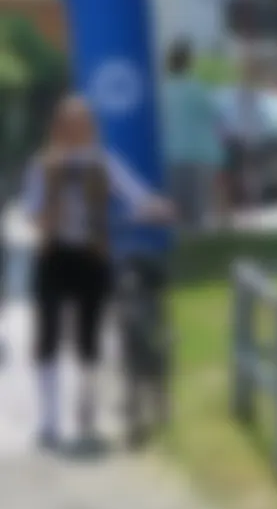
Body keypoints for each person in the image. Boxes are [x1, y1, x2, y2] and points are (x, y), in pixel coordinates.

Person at [21, 95, 171, 449]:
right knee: (48, 334)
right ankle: (49, 418)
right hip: (53, 253)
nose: (78, 131)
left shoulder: (102, 162)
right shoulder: (43, 165)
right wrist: (45, 217)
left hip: (92, 254)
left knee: (90, 333)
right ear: (59, 128)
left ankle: (85, 409)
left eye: (83, 123)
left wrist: (156, 208)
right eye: (71, 124)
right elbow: (30, 208)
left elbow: (137, 196)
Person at [160, 40, 224, 231]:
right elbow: (215, 115)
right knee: (197, 210)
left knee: (176, 208)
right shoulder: (197, 89)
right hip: (199, 155)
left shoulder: (162, 90)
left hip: (171, 154)